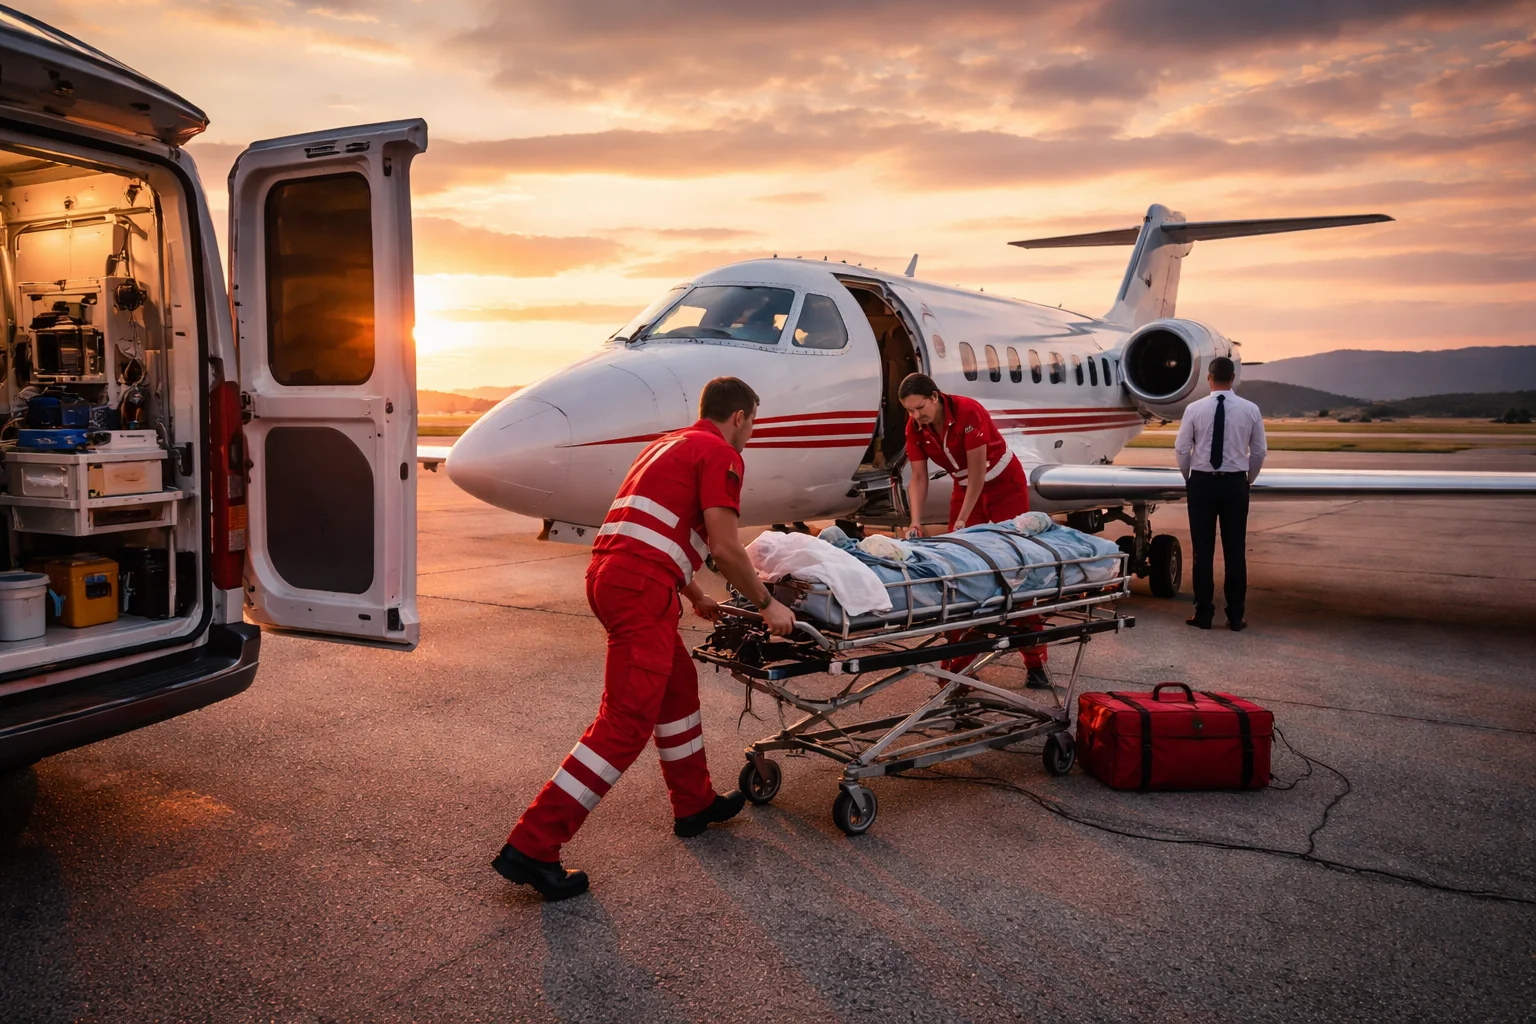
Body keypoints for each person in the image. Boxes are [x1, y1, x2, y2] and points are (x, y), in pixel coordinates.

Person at [492, 377, 798, 901]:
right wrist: (769, 605)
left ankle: (694, 802)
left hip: (615, 576)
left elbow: (655, 529)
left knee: (677, 690)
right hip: (639, 588)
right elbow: (726, 546)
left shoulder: (666, 444)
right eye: (752, 424)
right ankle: (534, 846)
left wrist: (694, 591)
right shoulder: (723, 454)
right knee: (626, 722)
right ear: (741, 418)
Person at [897, 372, 1049, 689]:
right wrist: (915, 520)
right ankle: (957, 665)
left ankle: (1035, 662)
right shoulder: (915, 427)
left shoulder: (968, 412)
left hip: (1003, 484)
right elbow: (919, 478)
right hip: (965, 487)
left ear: (935, 397)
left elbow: (978, 471)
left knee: (1018, 570)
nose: (916, 416)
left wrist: (964, 520)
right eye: (910, 410)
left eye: (920, 407)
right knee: (961, 574)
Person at [1174, 356, 1267, 632]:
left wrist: (1189, 477)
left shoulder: (1194, 409)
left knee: (1203, 552)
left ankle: (1203, 614)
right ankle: (1236, 617)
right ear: (1234, 378)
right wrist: (1246, 479)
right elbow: (1259, 451)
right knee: (1235, 552)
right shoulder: (1250, 409)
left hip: (1202, 484)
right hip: (1235, 485)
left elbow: (1182, 449)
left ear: (1209, 378)